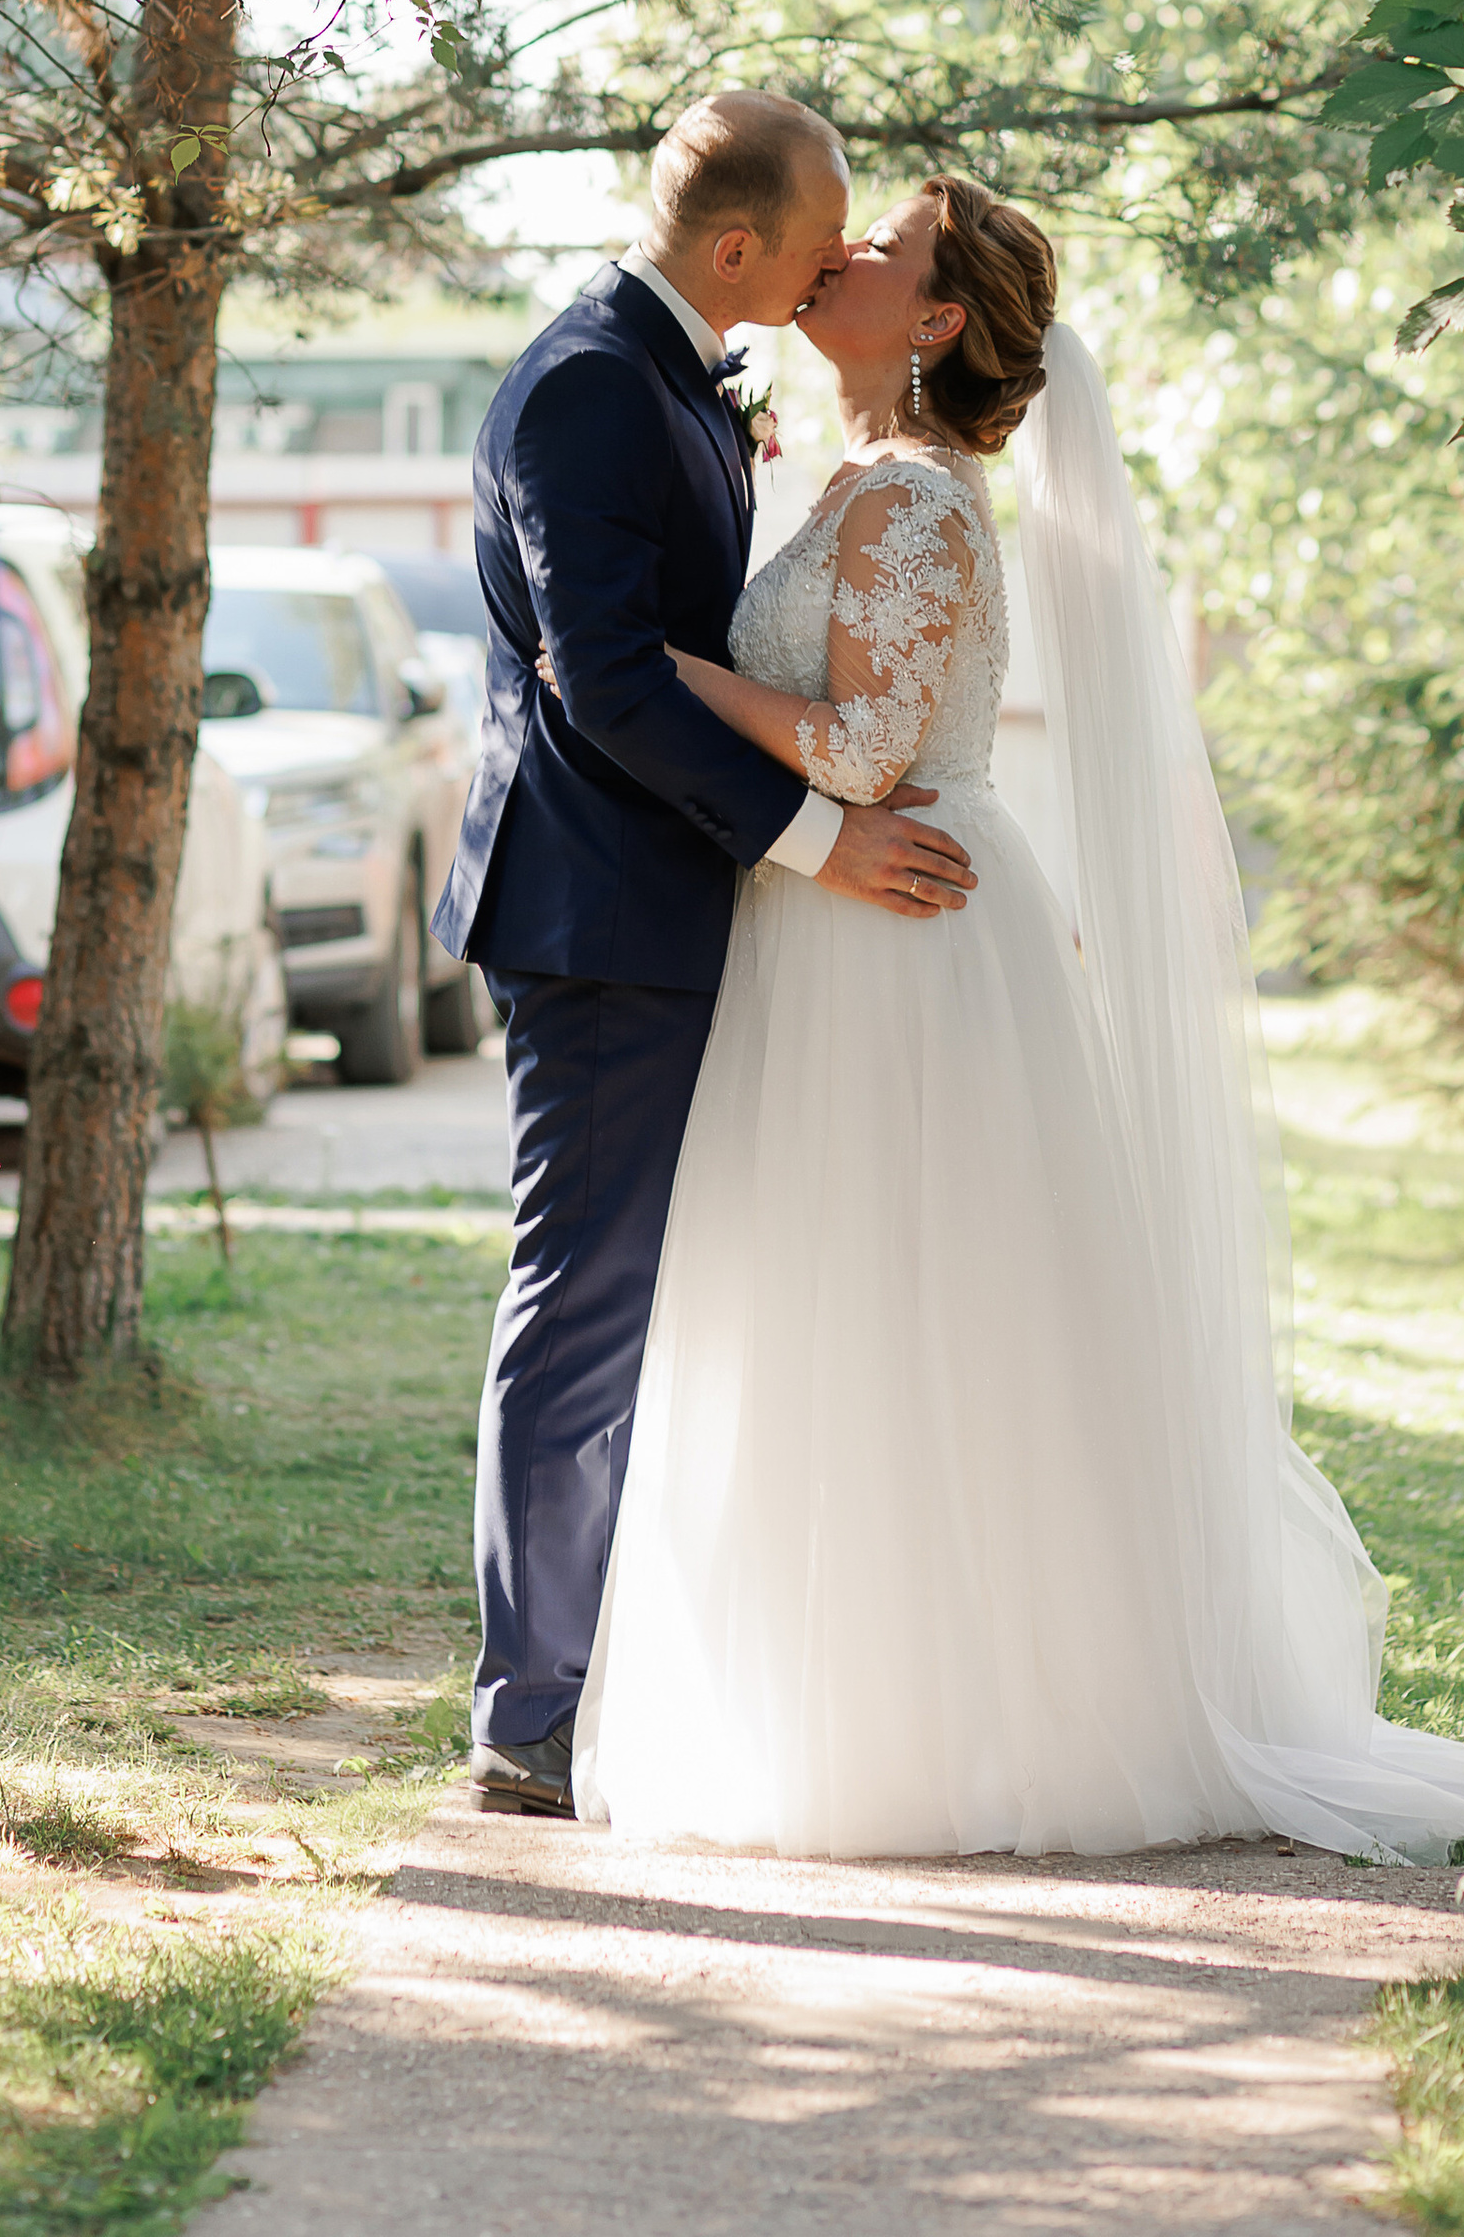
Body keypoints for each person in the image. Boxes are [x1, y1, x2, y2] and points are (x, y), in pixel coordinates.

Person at [573, 172, 1464, 1864]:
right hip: (851, 917)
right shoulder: (875, 481)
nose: (832, 263)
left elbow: (864, 750)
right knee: (857, 1306)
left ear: (938, 319)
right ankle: (861, 1694)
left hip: (901, 926)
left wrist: (656, 672)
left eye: (870, 253)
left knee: (902, 1304)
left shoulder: (917, 505)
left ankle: (938, 1720)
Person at [432, 92, 979, 1817]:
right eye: (818, 246)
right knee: (586, 1299)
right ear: (734, 248)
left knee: (661, 1298)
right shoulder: (596, 381)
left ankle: (612, 1673)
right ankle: (529, 1709)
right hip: (602, 911)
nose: (834, 271)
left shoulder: (674, 376)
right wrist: (819, 841)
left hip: (666, 901)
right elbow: (607, 678)